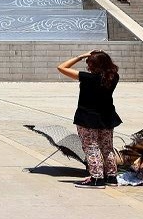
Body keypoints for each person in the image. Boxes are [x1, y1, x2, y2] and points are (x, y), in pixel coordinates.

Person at [57, 50, 122, 188]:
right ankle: (111, 176)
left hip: (87, 117)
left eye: (90, 63)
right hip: (107, 116)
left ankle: (97, 178)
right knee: (107, 147)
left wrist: (80, 56)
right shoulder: (113, 77)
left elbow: (61, 67)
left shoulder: (88, 78)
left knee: (91, 147)